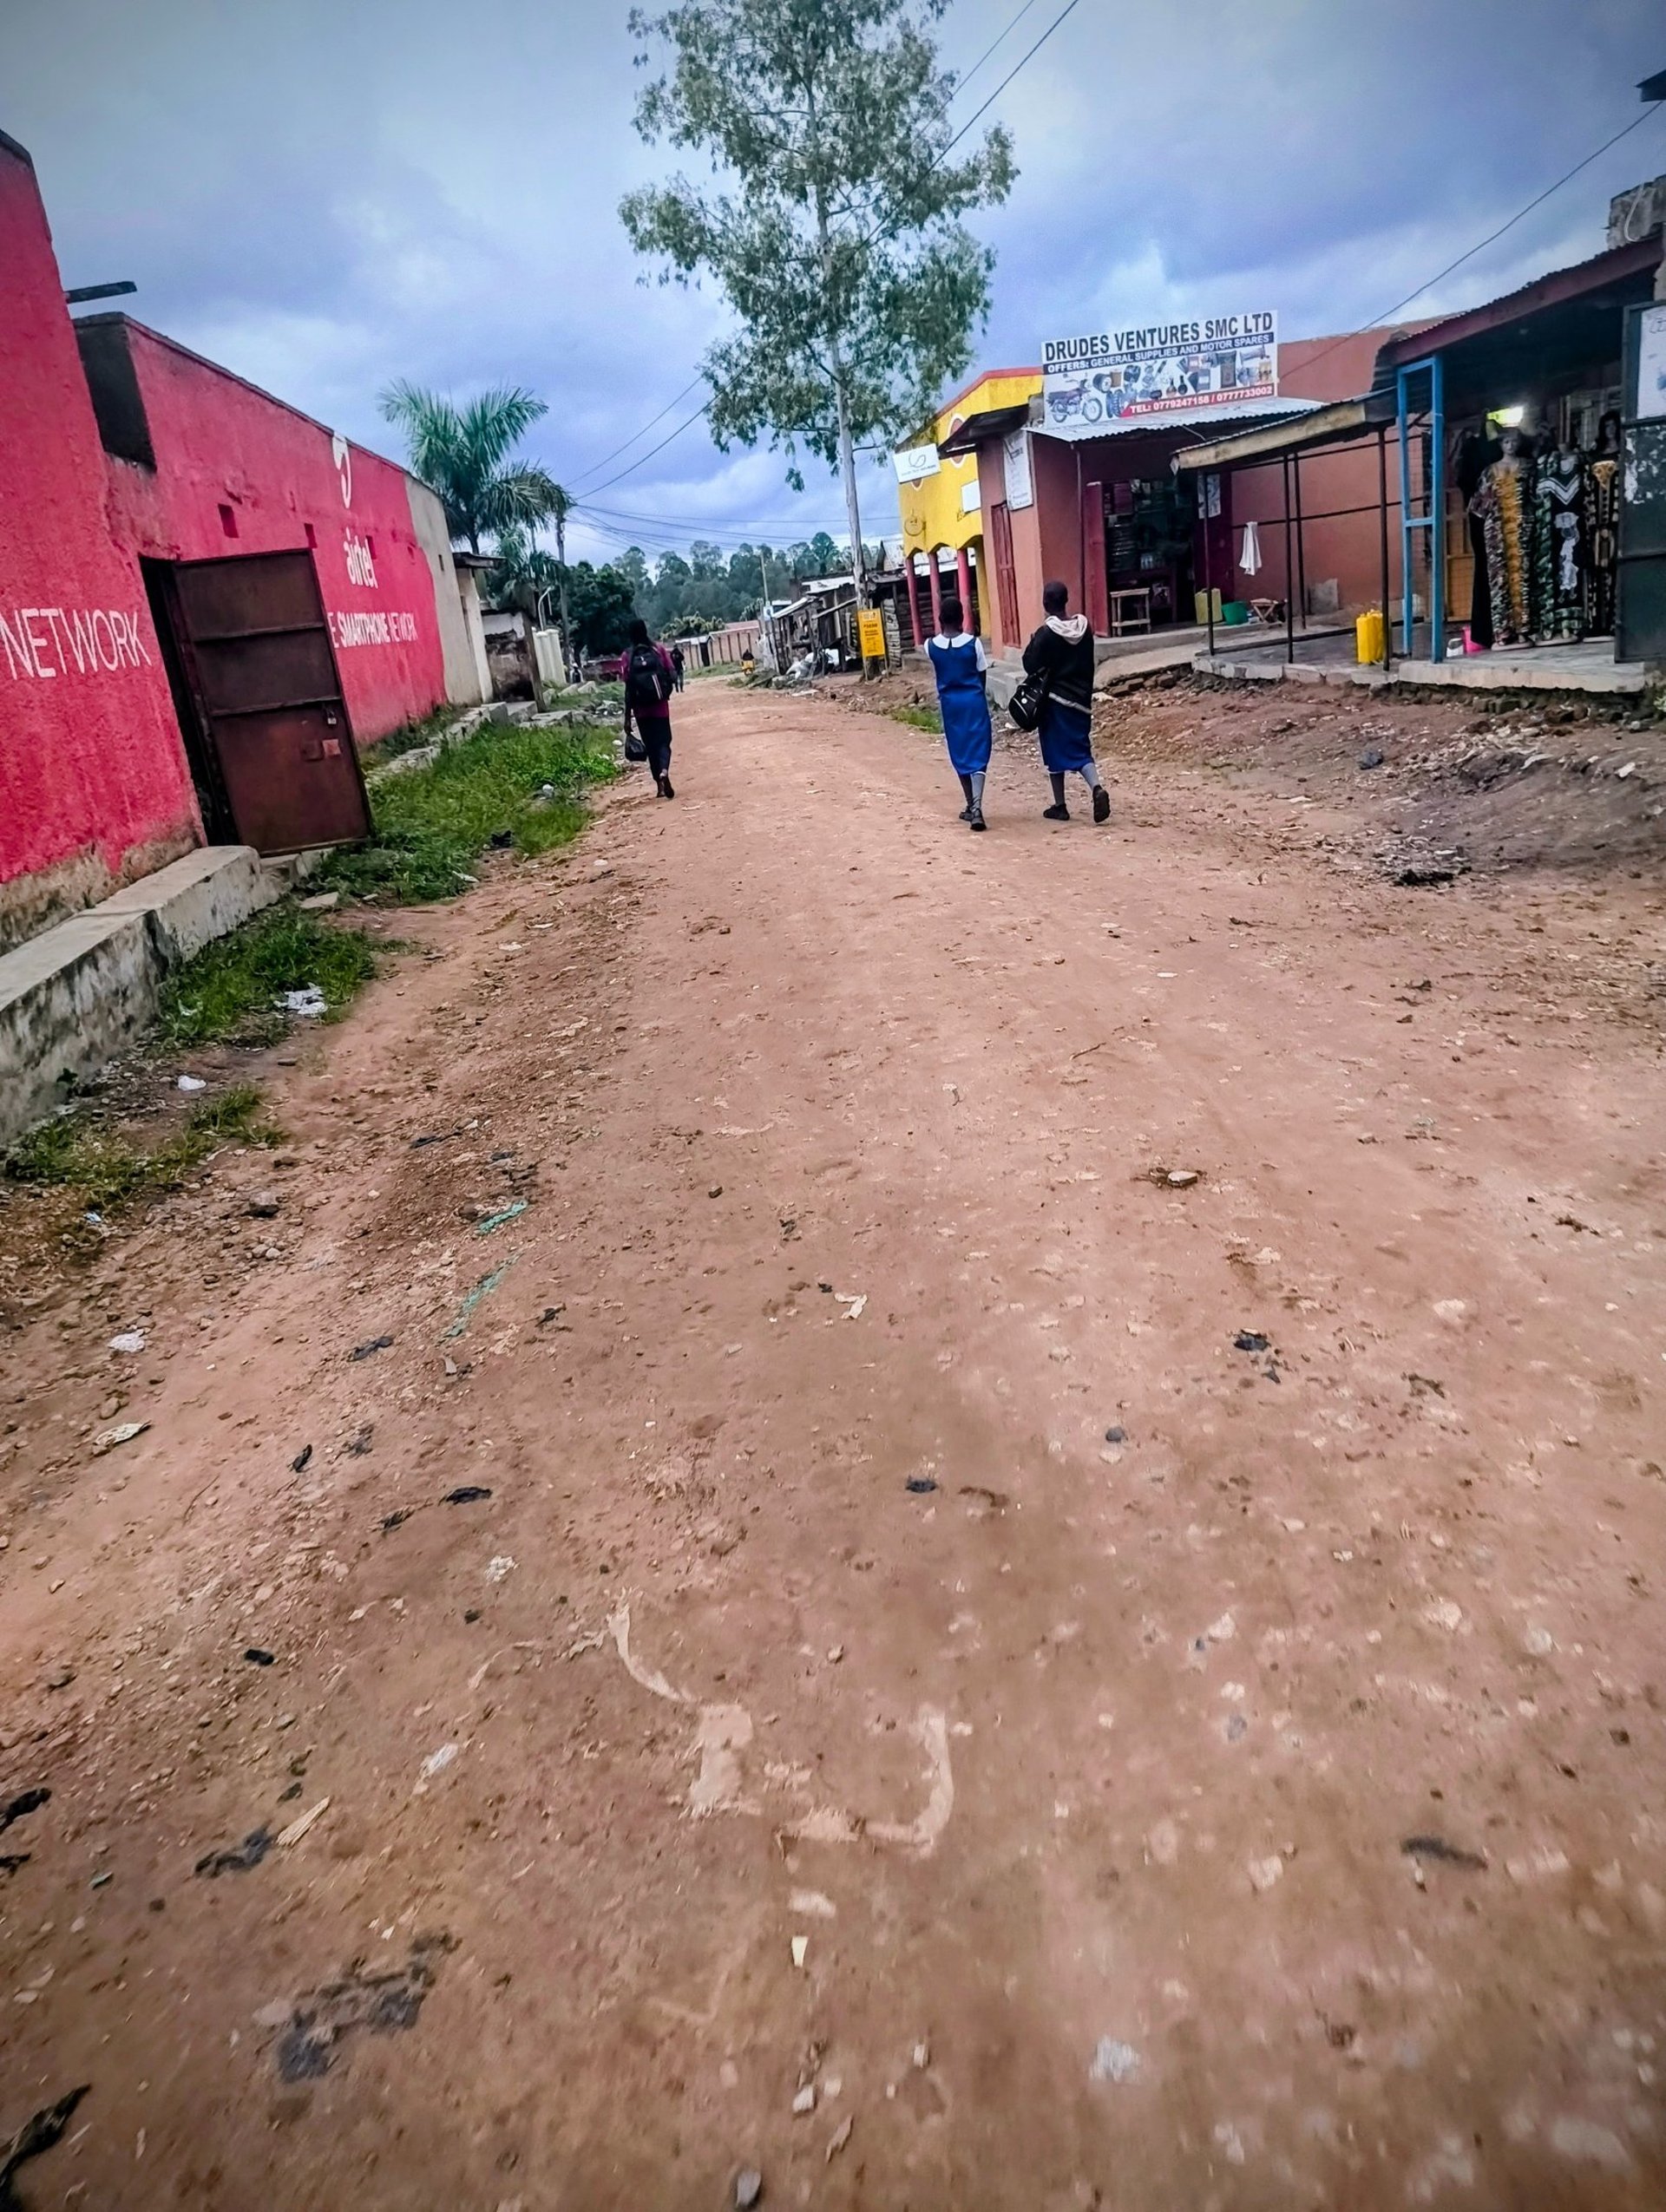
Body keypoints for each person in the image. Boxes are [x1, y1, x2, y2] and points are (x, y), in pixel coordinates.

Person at [1021, 579, 1109, 822]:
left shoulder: (1046, 634)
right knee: (1081, 748)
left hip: (1054, 702)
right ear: (1066, 600)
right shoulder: (1086, 627)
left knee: (1054, 751)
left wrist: (1032, 644)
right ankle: (1095, 787)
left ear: (1045, 603)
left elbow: (1030, 665)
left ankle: (1061, 804)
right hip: (1081, 700)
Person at [924, 594, 991, 831]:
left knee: (960, 753)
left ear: (940, 619)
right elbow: (981, 676)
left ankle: (970, 805)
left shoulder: (930, 646)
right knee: (979, 752)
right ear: (963, 617)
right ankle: (978, 806)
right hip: (974, 703)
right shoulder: (974, 644)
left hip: (951, 707)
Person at [621, 618, 678, 798]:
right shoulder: (658, 650)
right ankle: (664, 770)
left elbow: (628, 688)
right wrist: (666, 691)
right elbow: (672, 673)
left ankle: (660, 786)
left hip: (641, 710)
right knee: (664, 742)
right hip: (660, 706)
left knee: (651, 746)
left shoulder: (627, 656)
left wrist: (627, 717)